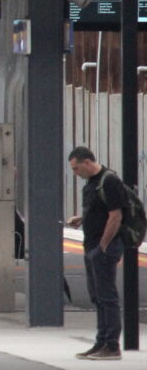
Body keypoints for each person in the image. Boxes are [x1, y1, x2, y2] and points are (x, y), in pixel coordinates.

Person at [67, 146, 130, 361]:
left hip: (104, 247)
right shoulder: (92, 183)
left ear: (87, 162)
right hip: (91, 246)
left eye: (76, 169)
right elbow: (100, 211)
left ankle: (112, 345)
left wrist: (103, 246)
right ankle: (101, 341)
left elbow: (116, 216)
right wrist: (83, 218)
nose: (75, 173)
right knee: (97, 297)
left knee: (107, 297)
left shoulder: (109, 181)